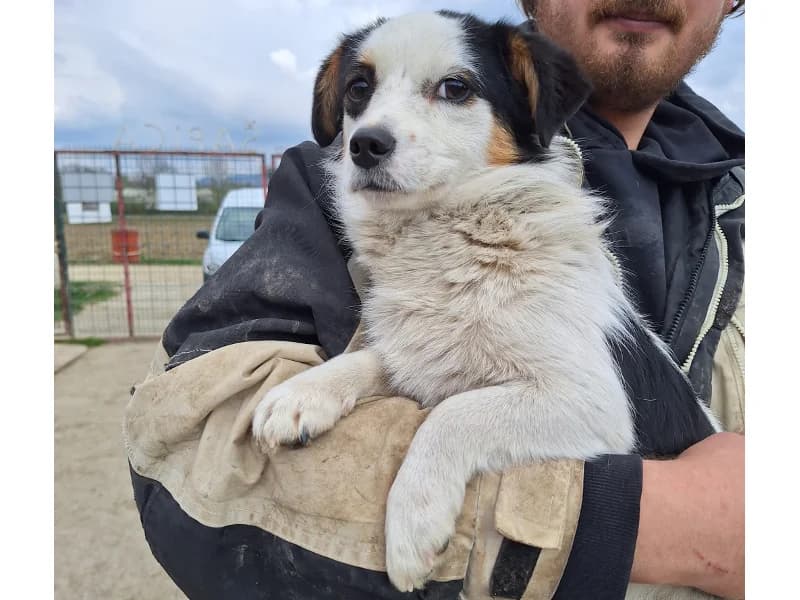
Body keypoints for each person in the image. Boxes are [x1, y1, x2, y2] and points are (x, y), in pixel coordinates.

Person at [124, 1, 745, 598]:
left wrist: (444, 445)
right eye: (360, 93)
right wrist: (355, 377)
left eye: (451, 90)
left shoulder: (749, 198)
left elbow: (579, 405)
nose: (373, 129)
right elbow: (185, 441)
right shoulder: (318, 205)